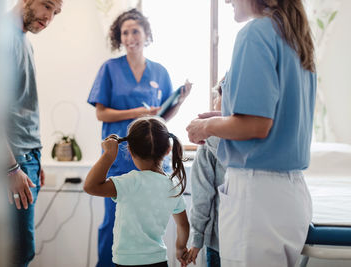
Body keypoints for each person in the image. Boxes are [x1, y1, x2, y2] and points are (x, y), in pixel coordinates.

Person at [186, 0, 316, 266]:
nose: (227, 1)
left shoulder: (256, 33)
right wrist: (226, 119)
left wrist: (206, 127)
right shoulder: (295, 38)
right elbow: (273, 119)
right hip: (290, 196)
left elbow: (255, 125)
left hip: (258, 198)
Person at [87, 8, 191, 266]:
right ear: (118, 38)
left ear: (146, 34)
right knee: (113, 224)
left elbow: (162, 117)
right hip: (119, 162)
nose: (130, 36)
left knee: (148, 225)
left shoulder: (160, 71)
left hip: (152, 162)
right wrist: (139, 112)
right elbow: (102, 113)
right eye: (125, 32)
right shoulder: (110, 69)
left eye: (135, 30)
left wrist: (179, 100)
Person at [84, 116, 190, 267]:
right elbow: (183, 225)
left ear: (130, 149)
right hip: (159, 260)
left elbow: (90, 186)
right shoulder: (173, 185)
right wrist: (180, 248)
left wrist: (108, 155)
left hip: (127, 262)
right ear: (168, 149)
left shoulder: (128, 183)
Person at [7, 0, 62, 266]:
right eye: (47, 6)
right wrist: (11, 168)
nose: (49, 17)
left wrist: (36, 157)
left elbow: (22, 106)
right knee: (17, 254)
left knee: (21, 251)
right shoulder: (0, 38)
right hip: (12, 164)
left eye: (55, 12)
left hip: (27, 159)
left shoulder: (23, 40)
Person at [187, 83, 225, 267]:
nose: (214, 101)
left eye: (218, 96)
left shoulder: (209, 141)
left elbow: (202, 195)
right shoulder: (258, 140)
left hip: (219, 240)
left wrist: (197, 238)